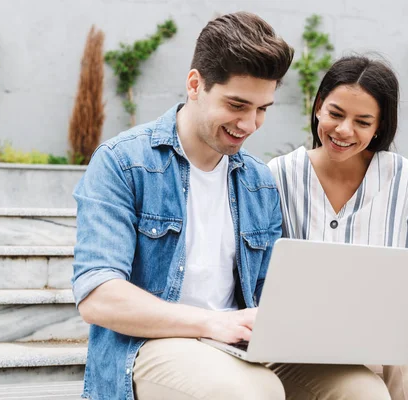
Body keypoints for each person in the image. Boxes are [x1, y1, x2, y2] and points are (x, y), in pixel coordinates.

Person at [73, 11, 300, 400]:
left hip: (238, 344)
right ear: (195, 84)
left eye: (262, 109)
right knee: (255, 392)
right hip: (147, 345)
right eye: (237, 105)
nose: (249, 124)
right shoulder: (123, 162)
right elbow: (98, 296)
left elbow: (270, 294)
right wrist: (212, 324)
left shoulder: (259, 181)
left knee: (359, 388)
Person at [268, 55, 408, 399]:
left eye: (362, 121)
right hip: (322, 343)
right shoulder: (279, 176)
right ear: (318, 107)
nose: (343, 130)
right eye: (336, 114)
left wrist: (381, 320)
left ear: (379, 127)